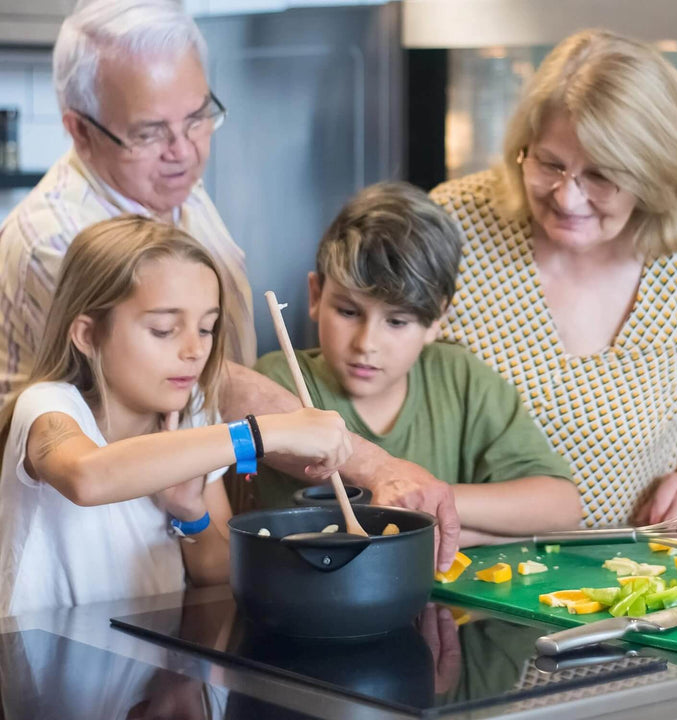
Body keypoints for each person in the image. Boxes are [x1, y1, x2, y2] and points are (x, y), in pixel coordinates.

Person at [0, 0, 461, 570]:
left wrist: (200, 511)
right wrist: (345, 455)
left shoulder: (163, 179)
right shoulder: (53, 240)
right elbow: (214, 385)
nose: (186, 150)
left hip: (169, 536)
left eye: (198, 117)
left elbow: (210, 541)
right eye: (150, 132)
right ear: (79, 130)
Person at [430, 29, 677, 529]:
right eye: (550, 164)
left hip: (629, 578)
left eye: (602, 176)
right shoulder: (455, 225)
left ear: (655, 176)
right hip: (461, 574)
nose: (568, 198)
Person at [0, 216, 352, 617]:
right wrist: (262, 432)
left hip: (151, 666)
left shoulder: (192, 414)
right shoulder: (48, 406)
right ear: (87, 335)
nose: (194, 350)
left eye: (206, 329)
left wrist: (192, 515)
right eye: (164, 330)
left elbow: (218, 573)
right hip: (42, 668)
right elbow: (87, 477)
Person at [255, 182, 582, 545]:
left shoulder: (461, 377)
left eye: (397, 322)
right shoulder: (278, 381)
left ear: (437, 319)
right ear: (316, 296)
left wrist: (433, 499)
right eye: (348, 311)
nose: (366, 344)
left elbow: (562, 506)